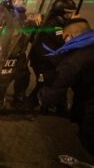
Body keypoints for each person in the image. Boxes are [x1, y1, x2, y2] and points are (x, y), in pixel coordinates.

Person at [38, 18, 94, 156]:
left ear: (70, 36)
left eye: (65, 37)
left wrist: (43, 98)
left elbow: (55, 87)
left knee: (89, 138)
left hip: (90, 102)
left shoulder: (74, 59)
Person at [27, 0, 77, 112]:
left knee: (55, 81)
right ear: (62, 12)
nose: (71, 15)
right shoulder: (54, 24)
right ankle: (29, 104)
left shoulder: (60, 21)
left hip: (50, 60)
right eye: (69, 13)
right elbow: (63, 39)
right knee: (44, 82)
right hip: (43, 61)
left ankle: (57, 106)